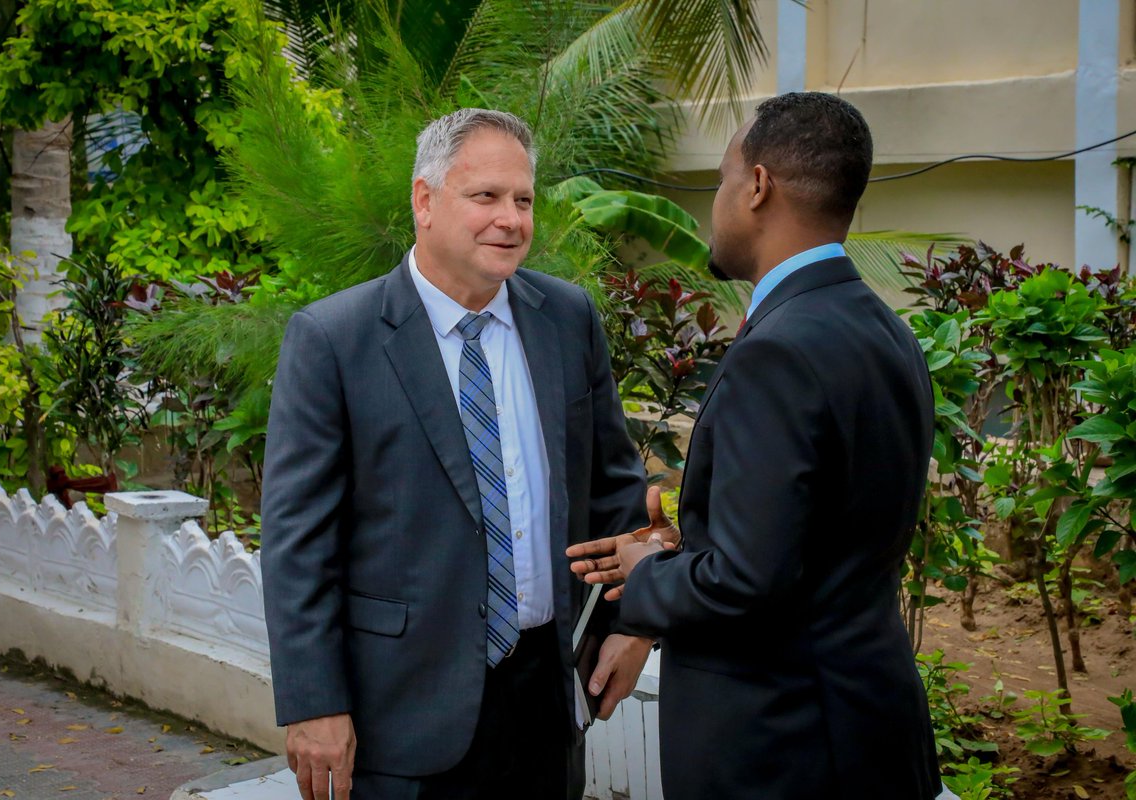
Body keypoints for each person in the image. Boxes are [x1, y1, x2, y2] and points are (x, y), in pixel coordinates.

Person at [260, 107, 653, 800]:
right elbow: (298, 543)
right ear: (424, 201)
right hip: (400, 715)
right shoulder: (334, 340)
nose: (511, 219)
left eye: (523, 200)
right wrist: (313, 701)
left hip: (544, 699)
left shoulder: (567, 318)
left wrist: (632, 624)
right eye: (486, 197)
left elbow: (614, 488)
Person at [570, 92, 943, 799]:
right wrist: (684, 519)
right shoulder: (886, 331)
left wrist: (640, 570)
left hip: (784, 748)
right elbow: (818, 517)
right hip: (871, 727)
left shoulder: (777, 351)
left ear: (758, 186)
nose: (716, 203)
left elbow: (744, 581)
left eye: (720, 181)